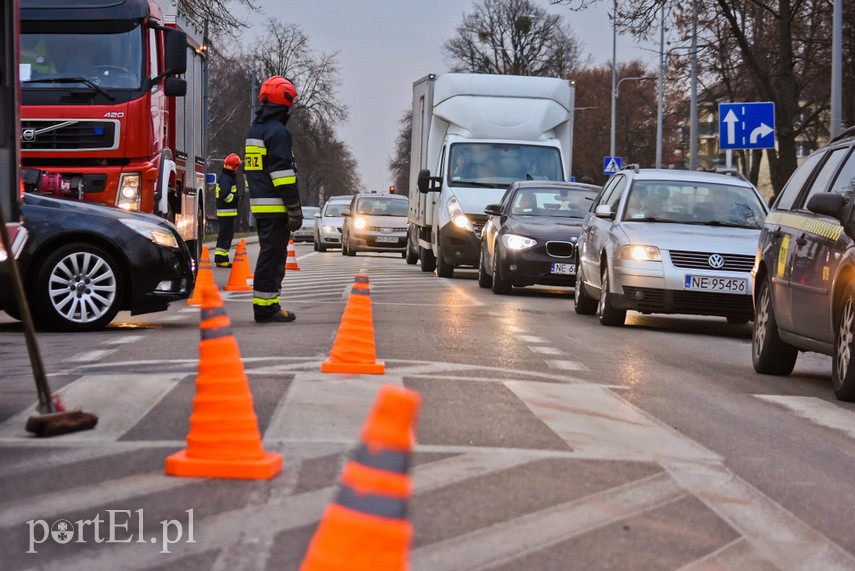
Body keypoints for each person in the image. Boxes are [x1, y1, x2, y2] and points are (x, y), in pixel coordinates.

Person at [244, 76, 302, 323]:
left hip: (261, 204)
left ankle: (265, 304)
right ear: (285, 102)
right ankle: (267, 308)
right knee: (273, 257)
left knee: (269, 255)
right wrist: (293, 207)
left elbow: (252, 172)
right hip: (276, 206)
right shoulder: (278, 132)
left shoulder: (255, 130)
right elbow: (282, 174)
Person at [214, 153, 242, 267]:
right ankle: (221, 260)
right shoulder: (227, 178)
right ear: (234, 166)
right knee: (225, 236)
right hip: (226, 213)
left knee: (225, 235)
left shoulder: (225, 177)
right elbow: (225, 196)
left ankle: (222, 258)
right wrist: (236, 198)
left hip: (225, 213)